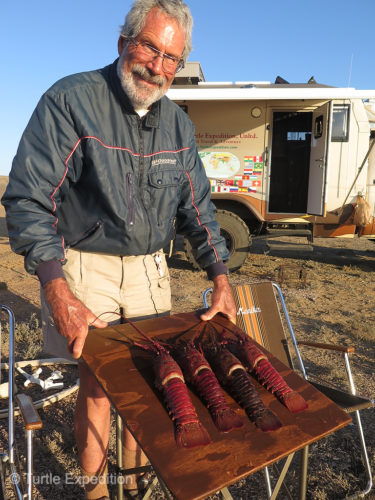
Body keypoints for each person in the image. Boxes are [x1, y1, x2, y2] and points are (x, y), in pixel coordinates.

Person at [2, 0, 236, 498]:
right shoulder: (71, 100)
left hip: (151, 271)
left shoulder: (178, 125)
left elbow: (198, 208)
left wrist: (219, 275)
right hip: (87, 269)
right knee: (100, 392)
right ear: (122, 43)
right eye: (150, 46)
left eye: (172, 56)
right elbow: (27, 198)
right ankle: (95, 493)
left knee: (151, 390)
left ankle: (134, 489)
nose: (158, 66)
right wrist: (56, 289)